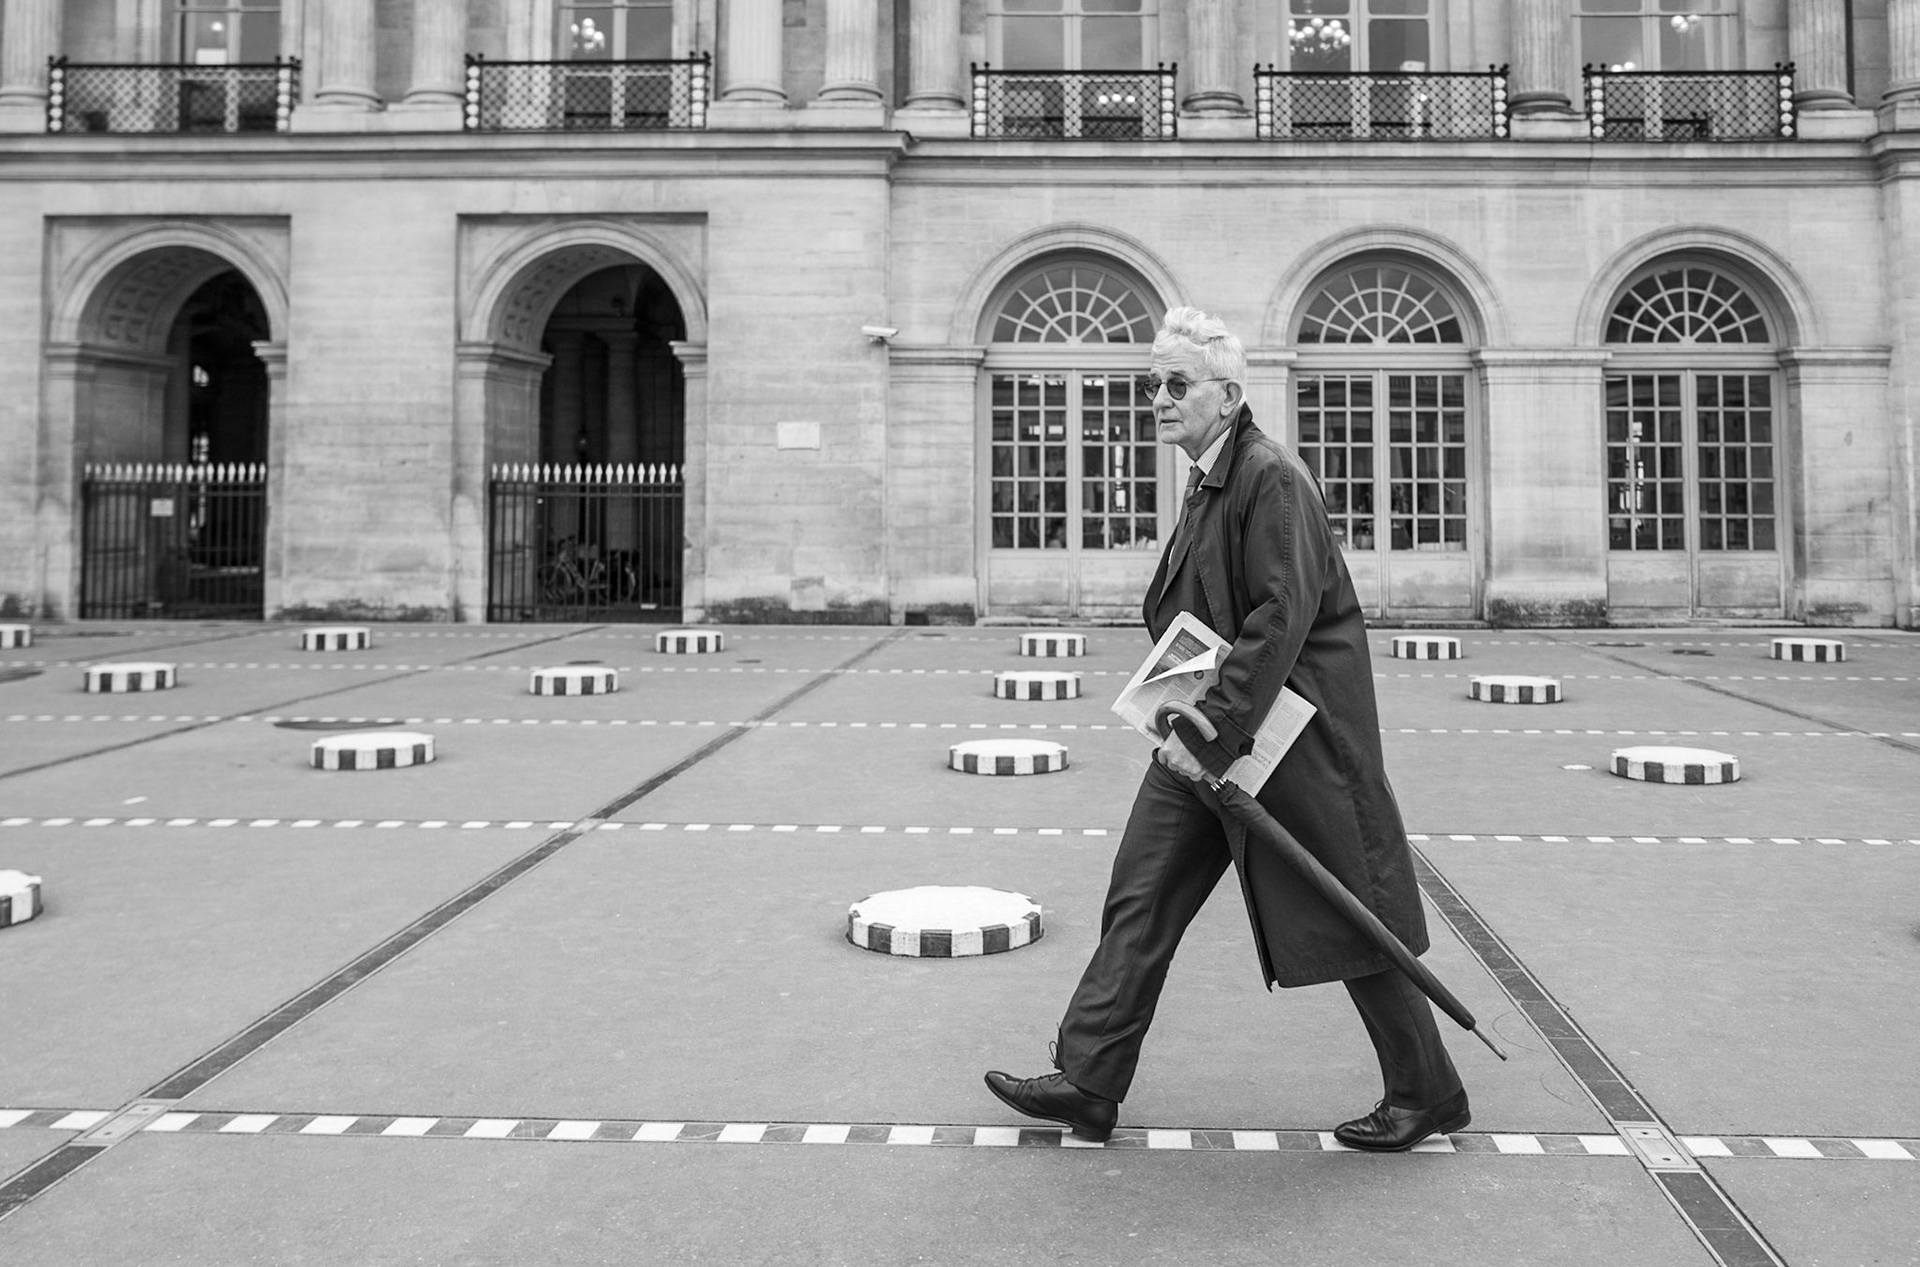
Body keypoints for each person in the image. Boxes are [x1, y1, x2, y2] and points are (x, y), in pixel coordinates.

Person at [983, 306, 1468, 1151]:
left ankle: (1427, 1091)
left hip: (1284, 742)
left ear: (1229, 394)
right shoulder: (1213, 474)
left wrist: (1208, 724)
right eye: (1153, 384)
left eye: (1177, 384)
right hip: (1210, 733)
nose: (1159, 399)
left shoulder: (1268, 476)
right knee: (1142, 893)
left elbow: (1279, 617)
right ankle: (1090, 1077)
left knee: (1345, 906)